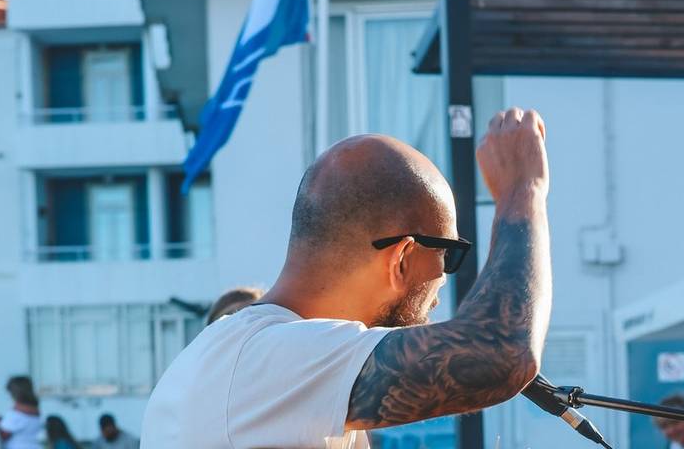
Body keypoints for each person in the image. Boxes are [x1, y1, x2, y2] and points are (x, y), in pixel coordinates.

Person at [142, 107, 552, 448]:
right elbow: (502, 354)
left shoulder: (243, 357)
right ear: (403, 256)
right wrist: (523, 191)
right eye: (446, 254)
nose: (444, 282)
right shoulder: (276, 358)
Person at [0, 376, 42, 449]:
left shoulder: (16, 412)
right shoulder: (35, 409)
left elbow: (4, 435)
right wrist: (2, 420)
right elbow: (23, 424)